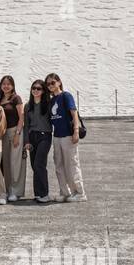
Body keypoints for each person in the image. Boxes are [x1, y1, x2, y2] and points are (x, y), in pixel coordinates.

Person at [46, 73, 85, 201]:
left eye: (53, 82)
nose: (50, 85)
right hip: (56, 136)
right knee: (59, 165)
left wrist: (76, 132)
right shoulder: (52, 100)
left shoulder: (66, 96)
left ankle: (79, 193)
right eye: (48, 84)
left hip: (68, 135)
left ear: (59, 82)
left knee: (71, 164)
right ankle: (65, 192)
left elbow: (74, 114)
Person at [23, 79, 53, 203]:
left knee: (39, 164)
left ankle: (44, 193)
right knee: (34, 165)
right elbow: (26, 125)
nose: (35, 90)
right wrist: (27, 141)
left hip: (45, 136)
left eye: (39, 88)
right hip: (32, 136)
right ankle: (38, 193)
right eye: (33, 88)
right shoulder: (28, 106)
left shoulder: (48, 103)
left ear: (43, 90)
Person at [0, 76, 25, 201]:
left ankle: (16, 191)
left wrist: (17, 134)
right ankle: (8, 190)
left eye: (8, 84)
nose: (6, 86)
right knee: (6, 163)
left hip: (15, 131)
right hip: (3, 133)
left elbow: (21, 117)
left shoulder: (16, 98)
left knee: (16, 162)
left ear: (12, 85)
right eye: (4, 84)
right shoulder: (0, 99)